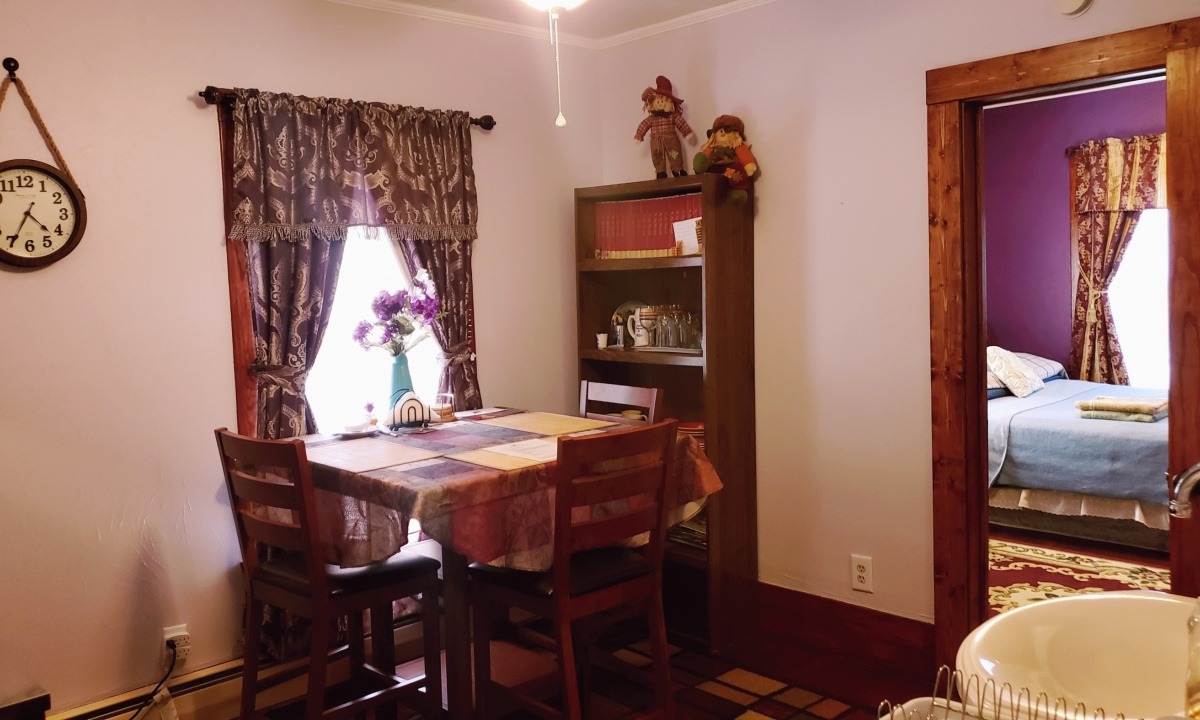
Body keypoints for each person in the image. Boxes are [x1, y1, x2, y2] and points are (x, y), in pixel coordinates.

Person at [634, 76, 695, 179]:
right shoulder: (652, 119)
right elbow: (643, 125)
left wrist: (687, 132)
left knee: (675, 154)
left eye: (664, 101)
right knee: (657, 156)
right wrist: (639, 135)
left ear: (670, 103)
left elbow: (681, 123)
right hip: (656, 141)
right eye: (658, 101)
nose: (661, 103)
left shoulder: (672, 116)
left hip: (671, 140)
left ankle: (677, 169)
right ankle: (660, 171)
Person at [693, 114, 759, 205]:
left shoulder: (737, 146)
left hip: (729, 168)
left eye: (727, 131)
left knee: (737, 171)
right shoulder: (712, 147)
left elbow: (744, 156)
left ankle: (738, 190)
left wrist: (748, 164)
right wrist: (703, 161)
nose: (723, 133)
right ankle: (700, 167)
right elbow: (706, 154)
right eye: (720, 131)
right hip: (714, 170)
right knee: (707, 172)